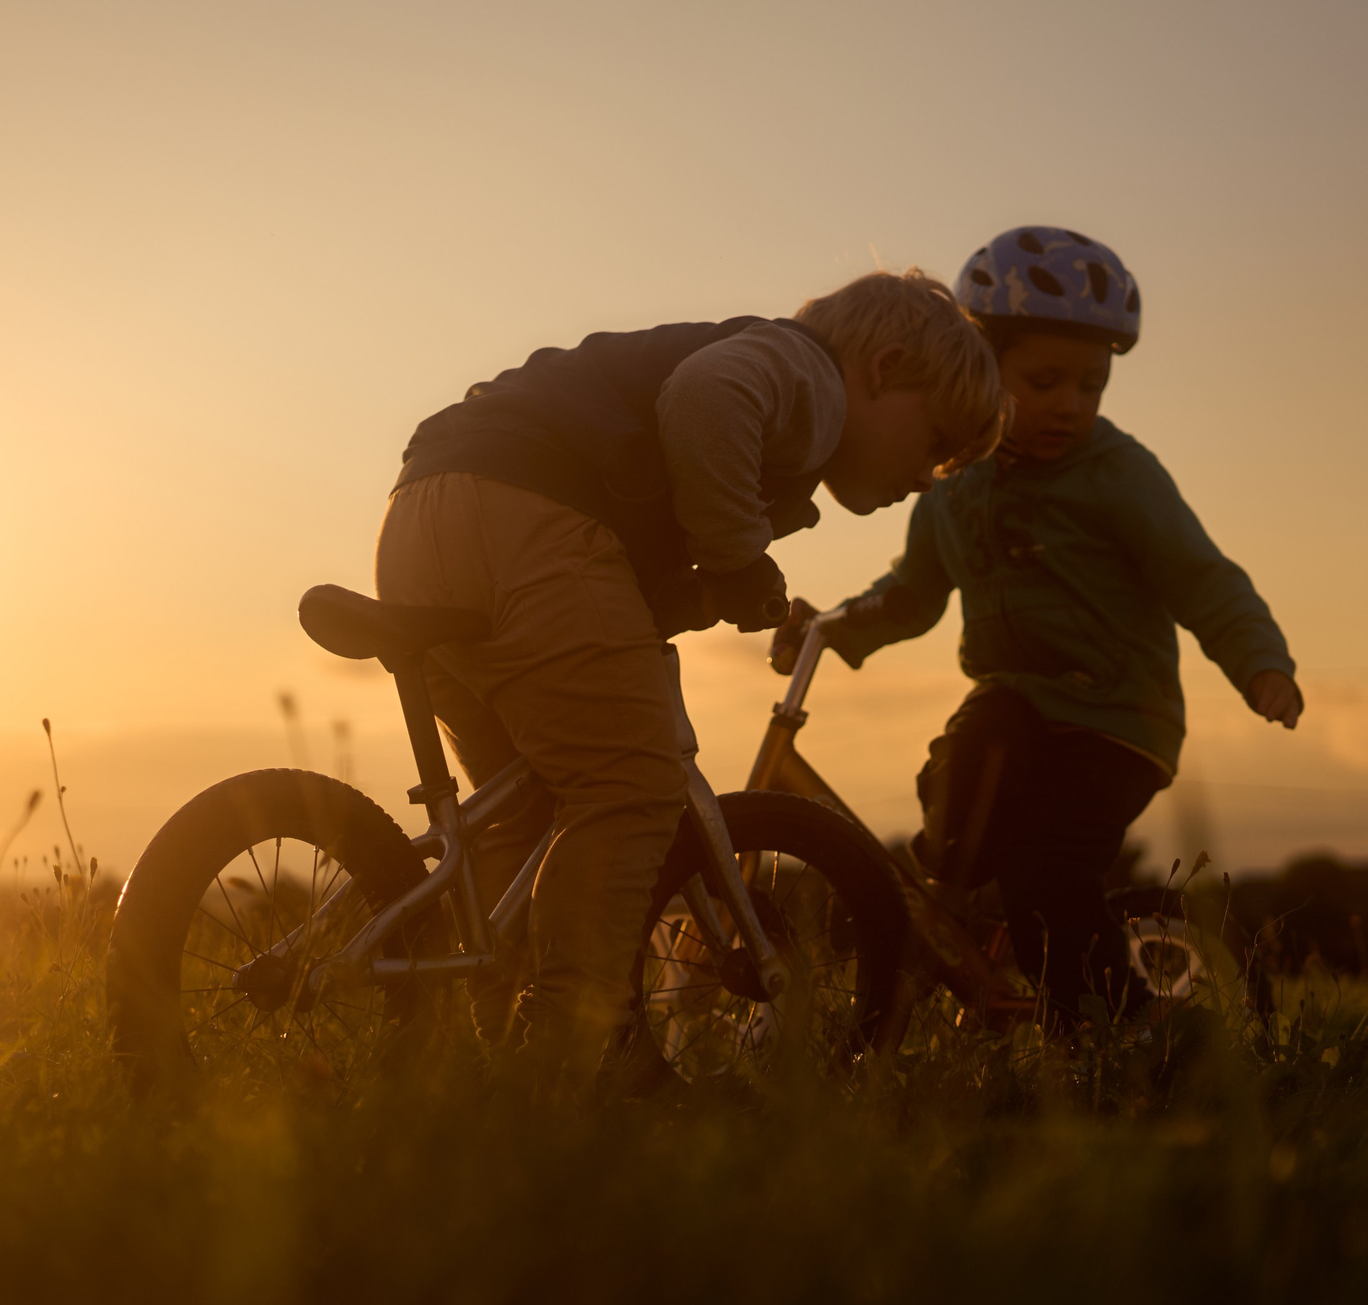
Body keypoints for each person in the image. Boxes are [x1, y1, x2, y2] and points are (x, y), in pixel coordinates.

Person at [376, 270, 1005, 1068]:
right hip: (523, 511)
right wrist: (739, 558)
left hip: (422, 513)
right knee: (631, 783)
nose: (925, 479)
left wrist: (705, 592)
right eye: (935, 443)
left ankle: (496, 1042)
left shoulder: (781, 417)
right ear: (884, 369)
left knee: (527, 809)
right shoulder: (810, 375)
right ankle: (564, 1055)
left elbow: (637, 565)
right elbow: (709, 397)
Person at [772, 226, 1302, 1029]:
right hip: (1016, 704)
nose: (1070, 405)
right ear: (981, 365)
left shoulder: (1119, 475)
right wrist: (833, 625)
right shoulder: (955, 482)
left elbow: (1202, 577)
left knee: (1045, 870)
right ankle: (959, 920)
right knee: (966, 760)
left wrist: (1261, 663)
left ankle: (1113, 1031)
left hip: (1114, 721)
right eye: (1045, 381)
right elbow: (911, 593)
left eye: (1092, 385)